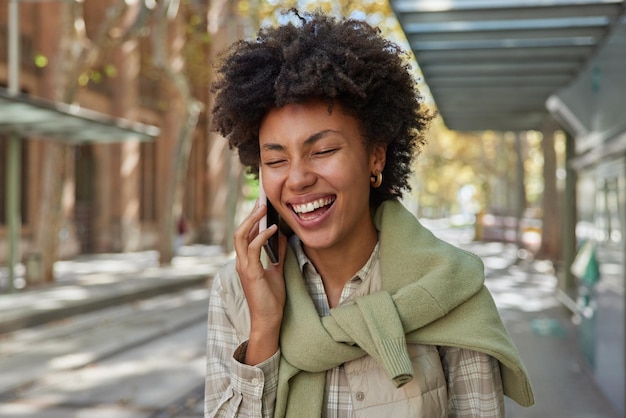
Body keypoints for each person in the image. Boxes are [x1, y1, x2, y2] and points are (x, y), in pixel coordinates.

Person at [205, 10, 534, 418]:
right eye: (276, 160)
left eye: (323, 151)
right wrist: (265, 329)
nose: (298, 179)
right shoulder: (236, 289)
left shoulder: (449, 285)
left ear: (375, 156)